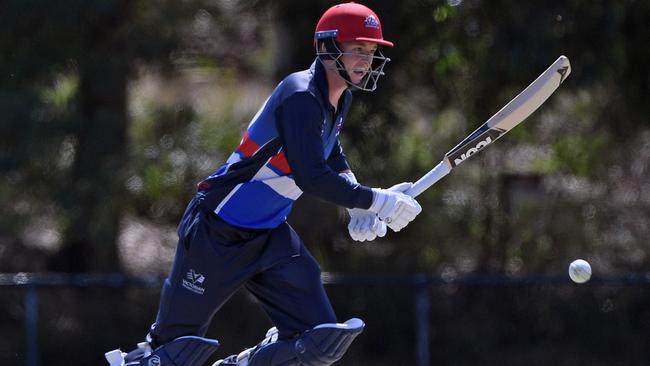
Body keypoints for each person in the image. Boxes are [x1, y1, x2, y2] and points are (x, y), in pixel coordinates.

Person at [104, 3, 422, 366]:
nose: (367, 59)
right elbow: (311, 175)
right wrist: (376, 201)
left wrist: (354, 196)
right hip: (217, 231)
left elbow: (330, 153)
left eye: (371, 51)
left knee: (317, 341)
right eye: (357, 49)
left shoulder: (340, 97)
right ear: (327, 46)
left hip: (268, 235)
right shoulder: (301, 94)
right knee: (171, 354)